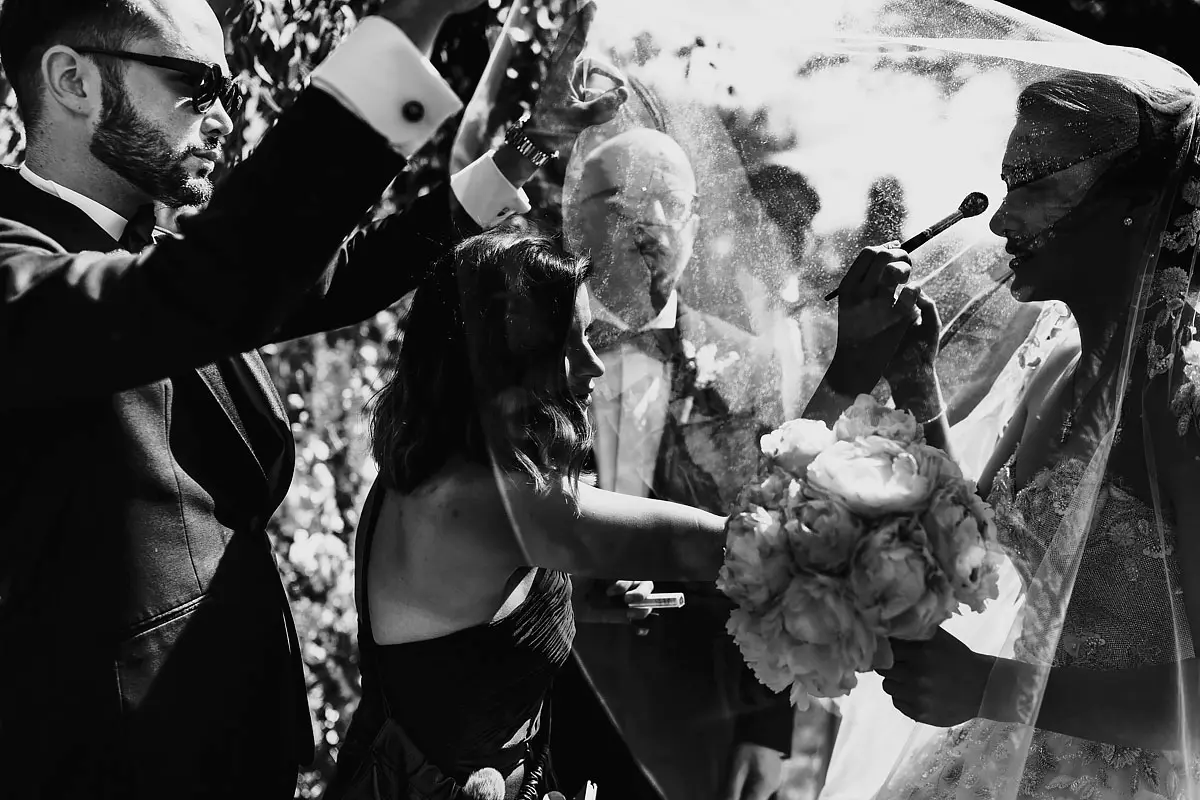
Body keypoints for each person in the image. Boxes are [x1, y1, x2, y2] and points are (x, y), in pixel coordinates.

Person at [0, 0, 584, 795]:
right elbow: (215, 282)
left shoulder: (153, 257)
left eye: (231, 93)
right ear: (71, 79)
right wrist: (403, 31)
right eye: (195, 84)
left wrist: (520, 156)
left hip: (235, 734)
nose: (220, 119)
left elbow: (341, 274)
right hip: (119, 765)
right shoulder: (16, 266)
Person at [839, 68, 1200, 798]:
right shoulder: (1059, 364)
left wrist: (992, 688)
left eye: (1031, 187)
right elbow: (974, 552)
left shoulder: (1181, 404)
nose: (1002, 221)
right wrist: (919, 385)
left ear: (1133, 205)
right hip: (991, 758)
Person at [339, 227, 739, 800]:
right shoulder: (494, 502)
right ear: (504, 356)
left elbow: (458, 637)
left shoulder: (431, 465)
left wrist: (571, 601)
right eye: (566, 344)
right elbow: (720, 545)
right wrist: (847, 377)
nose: (595, 366)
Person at [551, 126, 797, 800]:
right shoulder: (531, 352)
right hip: (543, 700)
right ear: (576, 220)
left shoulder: (748, 366)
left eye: (673, 203)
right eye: (628, 200)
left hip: (692, 714)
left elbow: (775, 546)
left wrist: (769, 726)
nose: (654, 221)